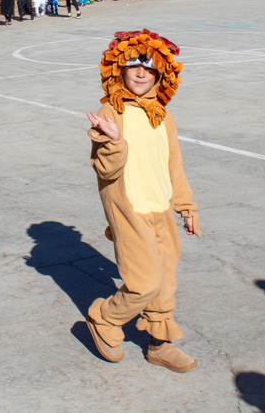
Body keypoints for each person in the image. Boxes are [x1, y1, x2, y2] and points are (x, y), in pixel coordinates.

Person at [85, 29, 200, 372]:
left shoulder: (162, 115)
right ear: (118, 68)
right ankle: (104, 317)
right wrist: (114, 141)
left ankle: (159, 346)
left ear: (161, 74)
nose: (140, 74)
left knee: (164, 282)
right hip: (129, 209)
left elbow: (173, 164)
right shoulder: (111, 111)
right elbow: (104, 169)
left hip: (160, 207)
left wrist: (186, 206)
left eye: (149, 69)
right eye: (134, 66)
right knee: (144, 283)